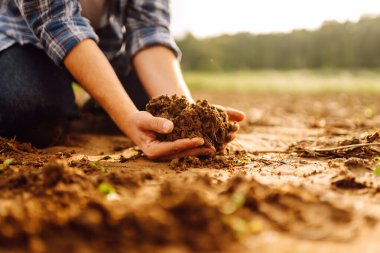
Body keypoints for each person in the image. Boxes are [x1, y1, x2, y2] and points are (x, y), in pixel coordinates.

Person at [0, 0, 245, 161]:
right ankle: (63, 104)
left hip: (105, 51)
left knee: (153, 106)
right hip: (22, 43)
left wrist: (188, 113)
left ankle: (95, 109)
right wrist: (127, 118)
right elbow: (59, 23)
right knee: (30, 110)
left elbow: (149, 29)